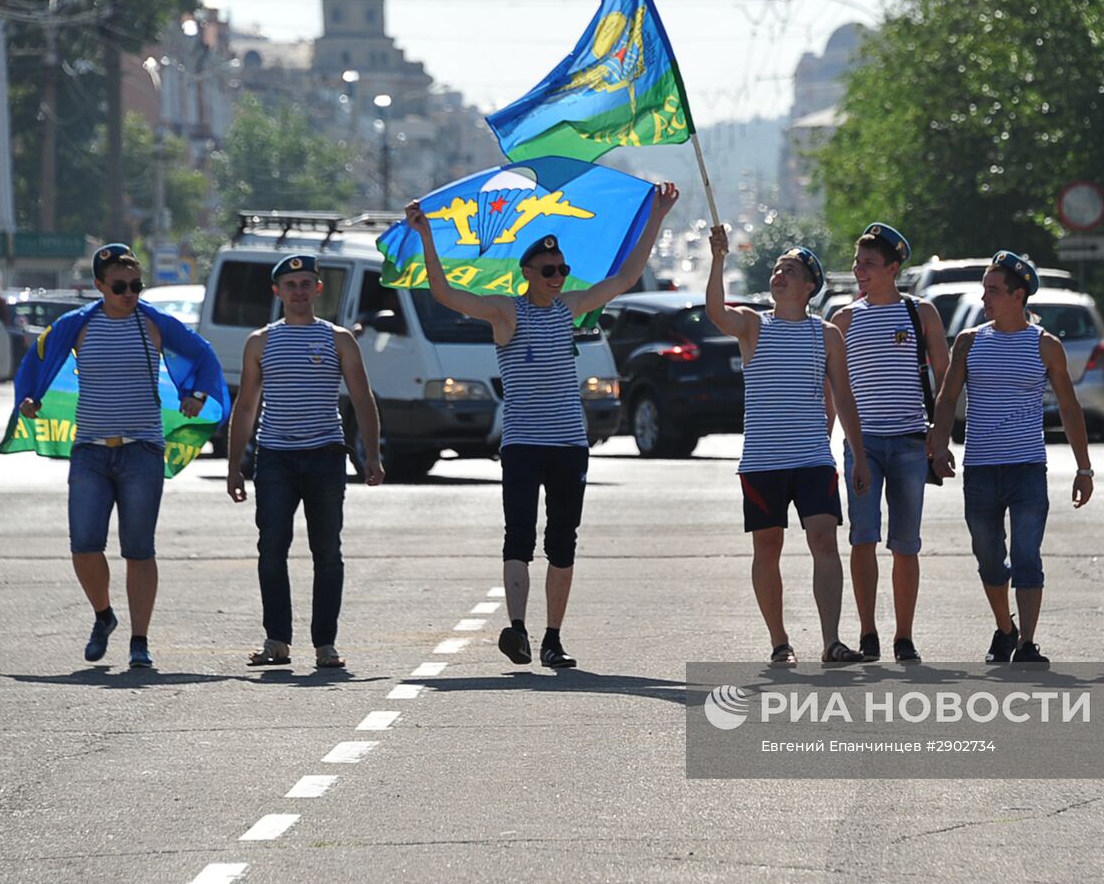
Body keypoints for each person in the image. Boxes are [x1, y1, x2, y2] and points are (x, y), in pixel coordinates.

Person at [404, 183, 679, 669]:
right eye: (549, 271)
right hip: (524, 444)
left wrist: (657, 214)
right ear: (527, 273)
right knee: (519, 535)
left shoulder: (570, 309)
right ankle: (517, 628)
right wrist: (426, 234)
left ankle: (552, 637)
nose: (558, 277)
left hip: (569, 443)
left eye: (562, 271)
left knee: (563, 538)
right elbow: (444, 292)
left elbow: (627, 276)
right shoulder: (508, 312)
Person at [11, 243, 225, 668]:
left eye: (136, 285)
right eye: (120, 286)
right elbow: (35, 360)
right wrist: (28, 397)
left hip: (142, 451)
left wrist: (196, 394)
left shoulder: (155, 324)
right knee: (84, 545)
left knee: (139, 550)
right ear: (99, 286)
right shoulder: (77, 324)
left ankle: (139, 641)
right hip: (90, 451)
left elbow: (202, 354)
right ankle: (103, 615)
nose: (129, 293)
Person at [705, 226, 871, 664]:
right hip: (762, 461)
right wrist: (718, 258)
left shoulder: (827, 334)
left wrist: (858, 456)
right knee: (768, 548)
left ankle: (832, 640)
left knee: (823, 539)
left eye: (790, 270)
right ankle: (780, 641)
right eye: (778, 269)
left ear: (809, 286)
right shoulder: (753, 324)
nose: (780, 274)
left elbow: (845, 396)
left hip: (813, 457)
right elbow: (715, 312)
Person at [928, 251, 1094, 664]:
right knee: (988, 556)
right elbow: (948, 397)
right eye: (985, 290)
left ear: (1018, 296)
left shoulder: (1044, 346)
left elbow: (1070, 407)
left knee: (1026, 556)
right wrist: (938, 443)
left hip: (1027, 469)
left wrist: (1083, 467)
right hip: (981, 469)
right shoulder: (970, 342)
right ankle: (1005, 627)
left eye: (994, 291)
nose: (985, 298)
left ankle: (1027, 644)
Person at [227, 254, 384, 670]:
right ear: (277, 292)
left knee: (327, 552)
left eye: (306, 284)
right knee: (272, 549)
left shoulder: (338, 339)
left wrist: (372, 454)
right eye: (290, 284)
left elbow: (363, 399)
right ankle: (276, 640)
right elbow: (245, 407)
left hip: (325, 455)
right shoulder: (260, 342)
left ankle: (325, 644)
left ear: (318, 290)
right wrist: (233, 466)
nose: (298, 291)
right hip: (275, 457)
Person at [831, 223, 950, 662]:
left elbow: (946, 379)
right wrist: (826, 450)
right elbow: (833, 392)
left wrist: (941, 437)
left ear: (894, 268)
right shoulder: (844, 320)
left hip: (910, 444)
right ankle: (868, 633)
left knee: (905, 542)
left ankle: (904, 635)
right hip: (862, 446)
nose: (859, 271)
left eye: (869, 264)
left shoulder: (922, 314)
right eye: (857, 263)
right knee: (862, 537)